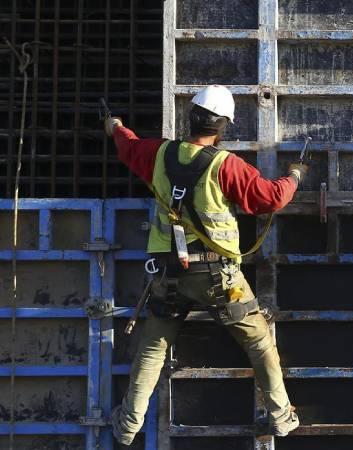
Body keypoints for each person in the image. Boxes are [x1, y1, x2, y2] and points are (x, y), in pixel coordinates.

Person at [106, 85, 307, 445]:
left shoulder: (157, 153)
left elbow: (127, 144)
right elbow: (271, 198)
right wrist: (294, 175)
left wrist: (114, 125)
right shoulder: (226, 165)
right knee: (259, 342)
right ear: (223, 126)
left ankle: (127, 426)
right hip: (218, 277)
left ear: (191, 117)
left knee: (152, 350)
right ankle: (281, 417)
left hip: (168, 275)